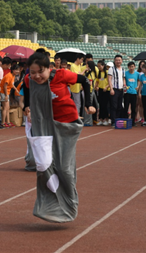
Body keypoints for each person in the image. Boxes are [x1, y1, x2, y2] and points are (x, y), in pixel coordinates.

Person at [23, 49, 95, 223]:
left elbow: (85, 80)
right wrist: (27, 106)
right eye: (33, 72)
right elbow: (27, 89)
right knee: (43, 165)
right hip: (45, 125)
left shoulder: (62, 75)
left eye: (41, 71)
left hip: (66, 125)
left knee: (63, 168)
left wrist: (88, 105)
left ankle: (69, 204)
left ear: (48, 68)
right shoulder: (28, 80)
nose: (37, 76)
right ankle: (49, 207)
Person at [108, 54, 126, 125]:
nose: (118, 61)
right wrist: (111, 89)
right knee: (114, 106)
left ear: (122, 61)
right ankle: (113, 121)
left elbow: (123, 79)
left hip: (121, 90)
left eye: (119, 60)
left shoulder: (123, 69)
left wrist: (125, 88)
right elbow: (109, 79)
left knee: (119, 106)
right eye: (117, 60)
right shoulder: (111, 69)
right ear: (114, 61)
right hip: (114, 89)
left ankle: (117, 120)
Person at [96, 60, 110, 126]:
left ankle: (105, 119)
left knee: (105, 105)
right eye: (98, 66)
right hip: (100, 90)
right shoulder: (99, 73)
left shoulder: (107, 72)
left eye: (100, 66)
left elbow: (110, 81)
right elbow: (97, 81)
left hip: (106, 90)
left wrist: (106, 87)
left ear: (103, 65)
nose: (99, 67)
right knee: (101, 105)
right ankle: (101, 119)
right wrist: (96, 86)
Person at [124, 61, 139, 125]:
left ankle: (133, 121)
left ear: (134, 67)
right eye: (130, 67)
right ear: (128, 67)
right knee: (126, 107)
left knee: (133, 108)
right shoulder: (125, 73)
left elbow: (139, 80)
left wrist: (138, 86)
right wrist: (125, 87)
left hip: (134, 92)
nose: (131, 68)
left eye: (132, 66)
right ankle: (125, 120)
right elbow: (124, 80)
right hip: (127, 93)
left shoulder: (137, 74)